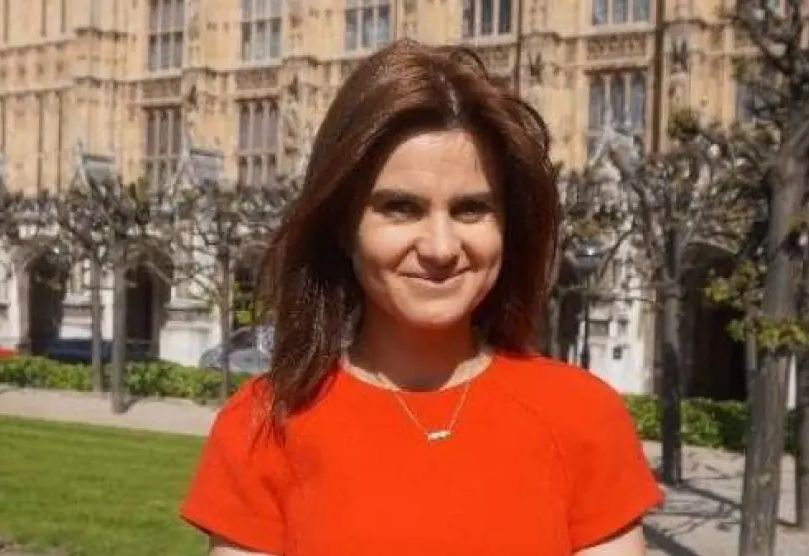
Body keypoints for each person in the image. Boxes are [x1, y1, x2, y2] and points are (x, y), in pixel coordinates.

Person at [180, 39, 663, 556]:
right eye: (401, 208)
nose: (440, 247)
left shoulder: (584, 417)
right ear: (343, 225)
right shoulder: (263, 423)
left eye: (471, 209)